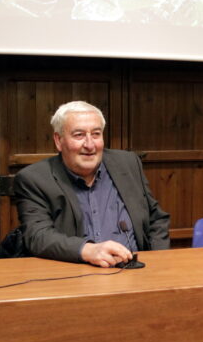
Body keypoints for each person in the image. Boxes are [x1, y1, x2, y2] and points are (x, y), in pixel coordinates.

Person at [12, 101, 170, 267]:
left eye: (96, 134)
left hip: (136, 271)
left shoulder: (128, 163)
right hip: (75, 275)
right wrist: (87, 251)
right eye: (79, 135)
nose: (89, 145)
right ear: (59, 140)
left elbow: (156, 218)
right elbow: (37, 236)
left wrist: (157, 261)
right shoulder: (34, 179)